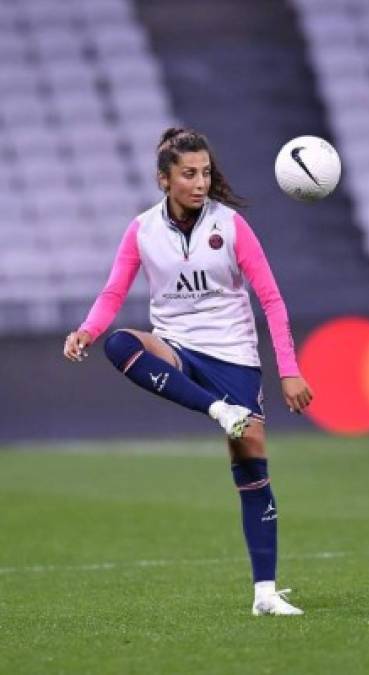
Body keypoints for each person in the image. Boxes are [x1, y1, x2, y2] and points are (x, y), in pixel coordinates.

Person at [63, 127, 313, 616]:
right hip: (178, 346)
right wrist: (88, 330)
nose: (200, 183)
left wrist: (289, 369)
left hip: (234, 354)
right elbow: (114, 293)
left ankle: (264, 594)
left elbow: (271, 299)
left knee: (252, 467)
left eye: (205, 173)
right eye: (188, 174)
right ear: (164, 180)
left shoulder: (232, 225)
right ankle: (219, 410)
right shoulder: (141, 230)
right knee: (120, 344)